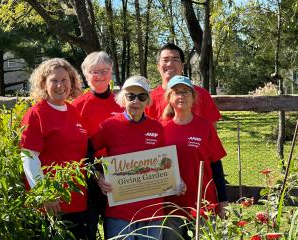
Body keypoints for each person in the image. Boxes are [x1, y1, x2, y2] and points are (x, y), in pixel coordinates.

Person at [20, 58, 90, 240]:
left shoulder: (73, 111)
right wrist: (45, 193)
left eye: (64, 80)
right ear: (44, 84)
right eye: (54, 80)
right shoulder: (36, 114)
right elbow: (28, 156)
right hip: (51, 204)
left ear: (72, 82)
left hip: (76, 200)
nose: (60, 86)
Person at [92, 76, 165, 240]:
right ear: (122, 99)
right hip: (119, 212)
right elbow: (87, 155)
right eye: (130, 96)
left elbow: (165, 164)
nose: (136, 101)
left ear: (148, 101)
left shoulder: (157, 128)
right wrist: (98, 176)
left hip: (152, 212)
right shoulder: (109, 125)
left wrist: (176, 180)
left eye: (141, 96)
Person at [161, 75, 228, 240]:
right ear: (169, 98)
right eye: (176, 92)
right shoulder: (160, 128)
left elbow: (216, 165)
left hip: (203, 206)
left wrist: (223, 200)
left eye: (185, 92)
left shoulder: (205, 127)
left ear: (193, 98)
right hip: (170, 207)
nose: (181, 96)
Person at [72, 51, 123, 239]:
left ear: (111, 72)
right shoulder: (77, 106)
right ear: (85, 75)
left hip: (119, 171)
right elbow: (76, 147)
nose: (100, 76)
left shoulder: (122, 103)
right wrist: (96, 173)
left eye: (105, 71)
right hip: (89, 172)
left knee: (118, 228)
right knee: (89, 229)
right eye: (94, 71)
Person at [145, 42, 221, 124]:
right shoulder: (148, 99)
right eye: (165, 60)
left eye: (175, 59)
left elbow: (211, 131)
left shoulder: (201, 94)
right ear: (158, 66)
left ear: (182, 66)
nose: (170, 64)